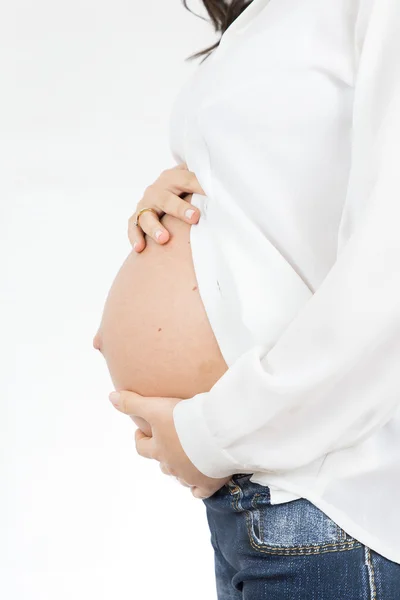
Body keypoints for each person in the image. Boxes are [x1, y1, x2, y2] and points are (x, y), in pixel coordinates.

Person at [94, 0, 400, 596]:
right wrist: (188, 201)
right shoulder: (263, 18)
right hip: (258, 496)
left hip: (326, 502)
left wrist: (211, 432)